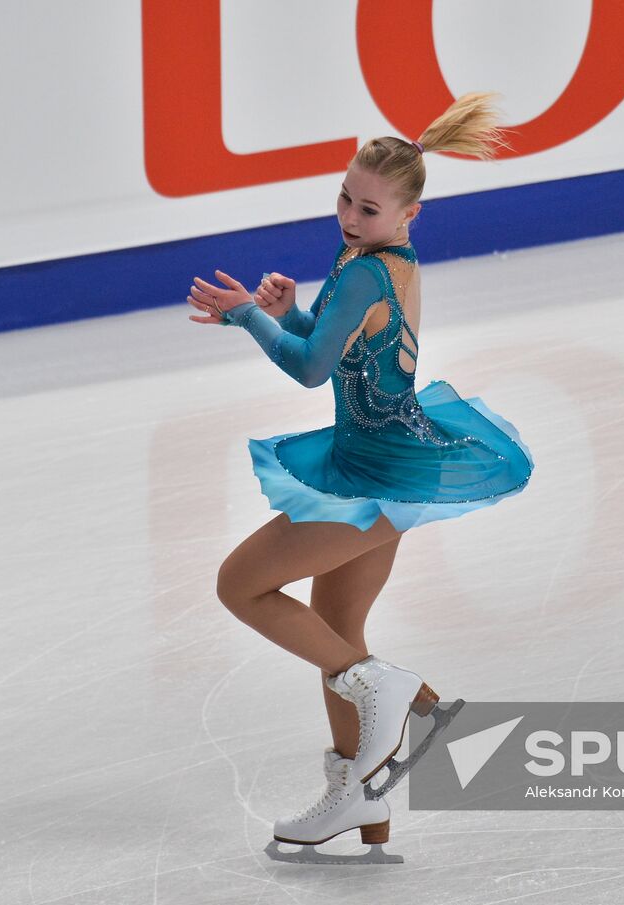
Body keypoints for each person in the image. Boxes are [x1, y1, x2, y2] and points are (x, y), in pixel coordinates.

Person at [185, 92, 534, 864]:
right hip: (394, 465)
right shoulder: (378, 262)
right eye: (345, 196)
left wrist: (250, 317)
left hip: (367, 470)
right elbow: (344, 347)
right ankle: (363, 801)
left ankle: (394, 691)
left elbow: (312, 373)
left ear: (410, 215)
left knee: (239, 586)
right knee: (338, 634)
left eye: (368, 208)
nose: (349, 215)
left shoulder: (364, 271)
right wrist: (295, 311)